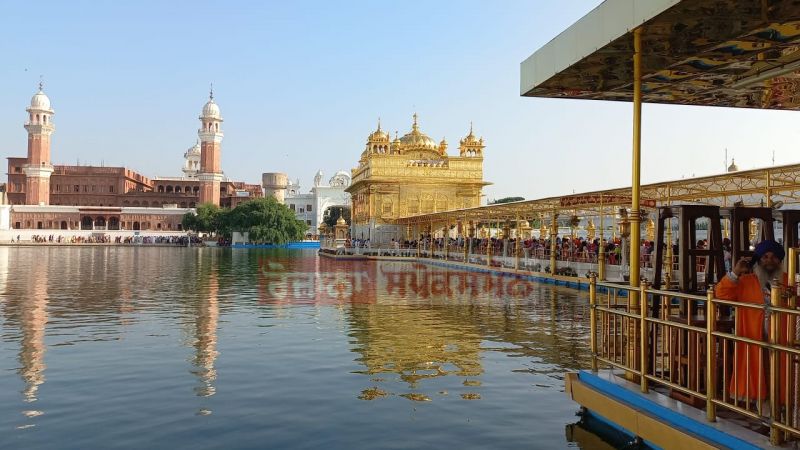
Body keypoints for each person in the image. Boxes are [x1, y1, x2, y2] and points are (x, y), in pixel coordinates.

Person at [715, 239, 788, 402]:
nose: (769, 260)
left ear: (780, 260)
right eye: (765, 257)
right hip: (755, 339)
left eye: (774, 257)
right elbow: (721, 294)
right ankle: (765, 417)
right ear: (759, 260)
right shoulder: (746, 281)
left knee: (782, 378)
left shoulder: (787, 281)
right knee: (757, 379)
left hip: (782, 341)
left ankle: (782, 415)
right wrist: (735, 273)